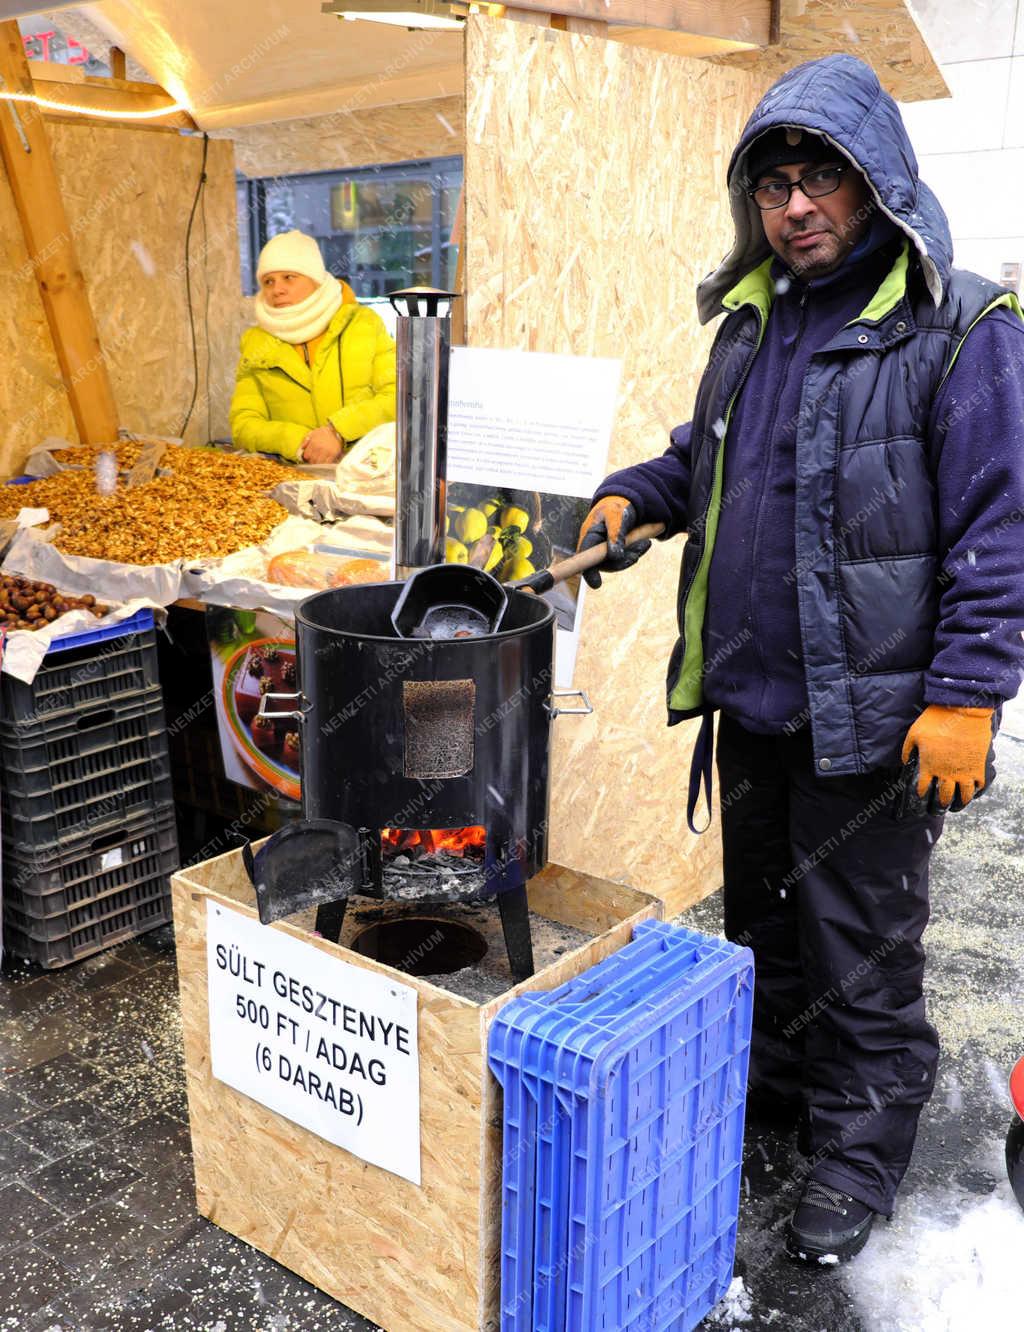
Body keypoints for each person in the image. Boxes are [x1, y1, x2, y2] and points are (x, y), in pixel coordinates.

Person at [578, 53, 1024, 1265]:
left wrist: (968, 694)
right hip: (756, 706)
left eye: (821, 174)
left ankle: (862, 1150)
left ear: (878, 180)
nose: (796, 204)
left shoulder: (956, 327)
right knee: (768, 929)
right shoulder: (754, 321)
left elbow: (1003, 524)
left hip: (875, 723)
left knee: (861, 950)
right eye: (773, 182)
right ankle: (779, 1102)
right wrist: (636, 495)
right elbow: (705, 455)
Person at [230, 230, 396, 464]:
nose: (277, 289)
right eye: (269, 281)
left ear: (316, 279)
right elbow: (244, 424)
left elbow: (396, 398)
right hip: (292, 478)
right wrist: (299, 442)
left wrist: (339, 431)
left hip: (365, 474)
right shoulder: (257, 344)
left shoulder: (363, 325)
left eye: (289, 277)